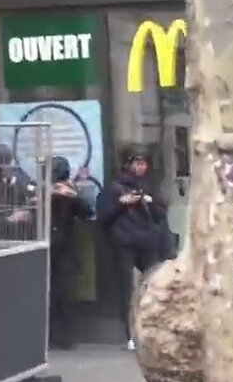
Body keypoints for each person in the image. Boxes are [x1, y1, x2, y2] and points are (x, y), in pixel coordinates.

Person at [99, 145, 168, 351]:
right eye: (138, 163)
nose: (142, 167)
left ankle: (153, 329)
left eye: (144, 163)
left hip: (146, 240)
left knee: (153, 284)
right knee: (126, 288)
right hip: (125, 241)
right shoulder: (115, 187)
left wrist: (149, 202)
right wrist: (121, 203)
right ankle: (131, 333)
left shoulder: (150, 186)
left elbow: (160, 213)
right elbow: (103, 215)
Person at [47, 156, 94, 349]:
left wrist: (73, 196)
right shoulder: (43, 189)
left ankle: (65, 337)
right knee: (48, 294)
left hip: (64, 247)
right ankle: (50, 336)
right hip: (46, 247)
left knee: (65, 294)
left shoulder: (70, 192)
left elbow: (87, 213)